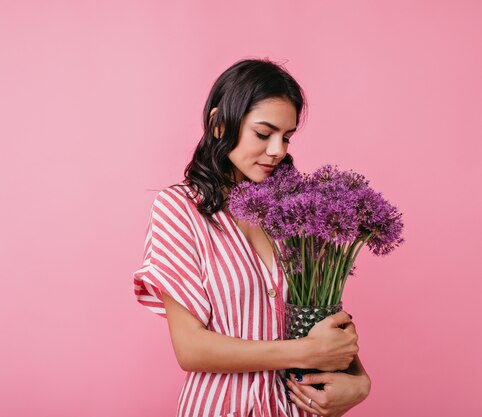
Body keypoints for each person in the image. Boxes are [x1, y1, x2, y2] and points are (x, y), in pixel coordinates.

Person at [133, 57, 371, 417]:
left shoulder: (295, 214)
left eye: (286, 137)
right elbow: (191, 349)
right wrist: (305, 352)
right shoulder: (179, 209)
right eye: (264, 134)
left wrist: (360, 382)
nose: (278, 150)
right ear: (218, 124)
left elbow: (323, 323)